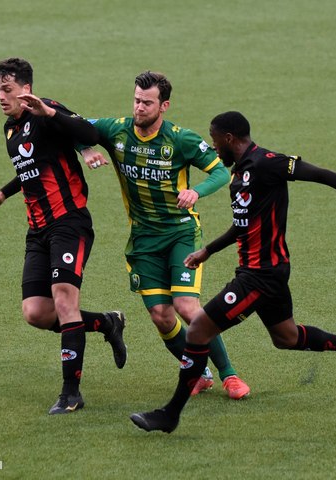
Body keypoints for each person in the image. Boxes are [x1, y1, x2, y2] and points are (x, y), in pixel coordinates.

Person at [130, 111, 336, 433]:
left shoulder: (268, 163)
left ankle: (169, 415)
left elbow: (321, 174)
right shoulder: (240, 174)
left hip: (260, 275)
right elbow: (243, 224)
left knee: (199, 328)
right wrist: (208, 250)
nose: (214, 149)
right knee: (287, 338)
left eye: (215, 141)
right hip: (266, 272)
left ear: (229, 138)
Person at [78, 72, 250, 400]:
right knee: (161, 316)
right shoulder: (116, 131)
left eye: (147, 102)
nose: (139, 107)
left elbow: (220, 171)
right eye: (136, 100)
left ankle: (230, 375)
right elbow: (71, 124)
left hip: (180, 233)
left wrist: (196, 192)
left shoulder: (180, 140)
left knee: (187, 306)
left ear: (164, 105)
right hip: (143, 240)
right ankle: (199, 373)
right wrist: (86, 148)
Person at [0, 57, 127, 415]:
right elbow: (33, 167)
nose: (0, 96)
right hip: (37, 229)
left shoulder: (46, 110)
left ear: (26, 88)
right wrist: (2, 194)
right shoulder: (10, 129)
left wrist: (51, 113)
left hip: (69, 223)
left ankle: (71, 394)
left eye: (7, 89)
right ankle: (107, 322)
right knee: (36, 313)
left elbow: (89, 135)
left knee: (63, 301)